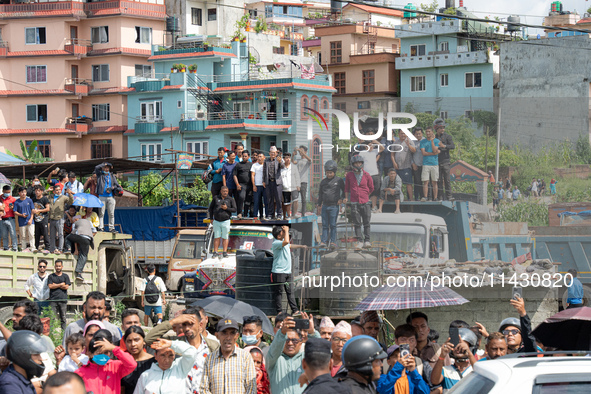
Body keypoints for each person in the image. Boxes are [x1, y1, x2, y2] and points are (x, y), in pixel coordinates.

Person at [144, 308, 220, 393]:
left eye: (191, 324)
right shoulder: (174, 343)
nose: (187, 328)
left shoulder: (212, 346)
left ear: (200, 325)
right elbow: (148, 339)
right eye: (184, 324)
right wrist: (173, 322)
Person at [200, 319, 257, 394]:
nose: (228, 337)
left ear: (236, 336)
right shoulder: (210, 359)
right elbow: (203, 388)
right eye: (224, 333)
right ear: (217, 336)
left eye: (232, 333)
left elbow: (251, 387)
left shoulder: (245, 357)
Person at [266, 314, 319, 394]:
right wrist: (282, 333)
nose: (290, 343)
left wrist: (312, 332)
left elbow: (321, 353)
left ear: (301, 342)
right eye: (286, 340)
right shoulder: (274, 360)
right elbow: (275, 349)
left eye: (294, 340)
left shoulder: (306, 359)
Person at [76, 329, 136, 394]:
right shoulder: (80, 373)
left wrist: (114, 348)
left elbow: (132, 364)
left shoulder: (115, 367)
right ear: (90, 354)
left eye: (106, 352)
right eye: (100, 353)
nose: (103, 356)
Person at [376, 324, 432, 394]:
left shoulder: (413, 377)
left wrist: (413, 371)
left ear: (415, 342)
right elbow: (382, 390)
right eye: (397, 356)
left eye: (411, 340)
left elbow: (425, 392)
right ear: (388, 361)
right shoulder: (383, 376)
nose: (407, 343)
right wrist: (398, 367)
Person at [134, 336, 198, 394]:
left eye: (171, 355)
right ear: (155, 356)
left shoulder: (180, 369)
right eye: (163, 355)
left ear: (174, 356)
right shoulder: (146, 376)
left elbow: (192, 353)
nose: (167, 360)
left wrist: (172, 344)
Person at [344, 155, 374, 249]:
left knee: (366, 223)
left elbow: (371, 187)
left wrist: (365, 195)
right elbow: (346, 188)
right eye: (356, 163)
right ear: (353, 164)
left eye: (359, 163)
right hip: (354, 202)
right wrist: (346, 198)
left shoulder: (367, 175)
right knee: (357, 223)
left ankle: (367, 241)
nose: (358, 165)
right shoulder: (349, 175)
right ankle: (359, 241)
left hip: (365, 202)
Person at [316, 160, 344, 248]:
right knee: (325, 225)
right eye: (327, 173)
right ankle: (324, 242)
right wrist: (319, 204)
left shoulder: (339, 180)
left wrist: (341, 199)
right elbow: (320, 194)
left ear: (334, 172)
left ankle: (333, 242)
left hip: (334, 206)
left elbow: (344, 191)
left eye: (330, 173)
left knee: (333, 225)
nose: (329, 174)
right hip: (325, 206)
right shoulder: (323, 182)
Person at [271, 225, 298, 315]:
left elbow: (289, 245)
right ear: (279, 236)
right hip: (279, 272)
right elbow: (287, 241)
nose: (285, 233)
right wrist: (286, 230)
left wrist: (302, 246)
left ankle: (295, 310)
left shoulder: (283, 242)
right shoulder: (276, 243)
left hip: (287, 272)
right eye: (282, 232)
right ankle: (279, 311)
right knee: (279, 293)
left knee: (290, 291)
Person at [121, 326, 156, 393]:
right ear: (125, 343)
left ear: (143, 341)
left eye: (136, 340)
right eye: (129, 341)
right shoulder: (123, 364)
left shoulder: (154, 362)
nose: (133, 344)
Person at [357, 133, 383, 212]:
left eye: (372, 145)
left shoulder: (374, 151)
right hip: (366, 174)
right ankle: (365, 205)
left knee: (375, 191)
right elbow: (359, 163)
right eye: (369, 145)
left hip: (375, 174)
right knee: (366, 191)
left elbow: (382, 148)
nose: (371, 147)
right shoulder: (362, 153)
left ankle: (374, 206)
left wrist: (376, 142)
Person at [208, 186, 236, 258]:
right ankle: (215, 252)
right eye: (224, 191)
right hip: (216, 221)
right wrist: (211, 218)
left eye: (226, 191)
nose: (225, 193)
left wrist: (227, 208)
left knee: (225, 237)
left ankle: (224, 252)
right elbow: (210, 208)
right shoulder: (216, 198)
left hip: (226, 221)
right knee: (216, 237)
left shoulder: (230, 199)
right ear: (221, 191)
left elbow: (234, 209)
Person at [67, 215, 97, 281]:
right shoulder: (89, 222)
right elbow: (95, 231)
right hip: (87, 239)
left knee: (68, 238)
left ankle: (68, 249)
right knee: (83, 255)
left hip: (79, 236)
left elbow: (73, 234)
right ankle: (79, 273)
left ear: (76, 219)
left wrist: (76, 249)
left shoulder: (75, 223)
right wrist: (89, 235)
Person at [94, 162, 120, 233]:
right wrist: (104, 164)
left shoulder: (112, 176)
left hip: (110, 196)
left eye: (107, 168)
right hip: (102, 196)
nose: (106, 169)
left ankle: (111, 228)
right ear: (103, 168)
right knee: (101, 213)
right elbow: (96, 167)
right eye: (105, 167)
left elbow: (117, 185)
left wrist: (112, 188)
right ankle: (101, 227)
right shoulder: (100, 175)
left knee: (111, 213)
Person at [48, 185, 74, 254]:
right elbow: (43, 197)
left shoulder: (63, 197)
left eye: (59, 190)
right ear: (54, 191)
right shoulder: (50, 196)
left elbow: (71, 202)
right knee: (52, 235)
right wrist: (47, 191)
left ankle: (60, 249)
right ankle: (52, 249)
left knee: (60, 234)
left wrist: (70, 194)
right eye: (57, 190)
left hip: (60, 218)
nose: (58, 191)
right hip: (52, 218)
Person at [393, 129, 417, 202]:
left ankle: (411, 199)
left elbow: (414, 150)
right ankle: (400, 199)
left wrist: (408, 145)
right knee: (398, 184)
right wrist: (394, 163)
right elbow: (392, 154)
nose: (403, 135)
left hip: (406, 167)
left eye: (404, 133)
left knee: (408, 183)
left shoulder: (409, 141)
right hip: (397, 167)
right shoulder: (395, 142)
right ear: (398, 134)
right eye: (401, 133)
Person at [434, 119, 455, 201]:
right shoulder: (434, 137)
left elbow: (452, 146)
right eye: (440, 128)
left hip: (446, 161)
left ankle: (449, 196)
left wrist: (444, 146)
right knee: (438, 180)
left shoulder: (448, 136)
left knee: (447, 180)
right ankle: (440, 197)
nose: (442, 129)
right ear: (436, 129)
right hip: (436, 161)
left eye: (443, 127)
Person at [48, 260, 70, 330]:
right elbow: (50, 286)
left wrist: (55, 285)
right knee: (52, 317)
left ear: (62, 266)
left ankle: (63, 333)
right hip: (53, 300)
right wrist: (61, 284)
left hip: (63, 300)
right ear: (54, 266)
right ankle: (51, 332)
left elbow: (66, 287)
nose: (58, 267)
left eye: (59, 266)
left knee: (63, 317)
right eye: (57, 266)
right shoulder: (51, 276)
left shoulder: (65, 276)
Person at [263, 146, 284, 220]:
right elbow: (264, 171)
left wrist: (280, 161)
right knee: (270, 199)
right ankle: (270, 214)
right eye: (271, 153)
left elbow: (282, 167)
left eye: (274, 153)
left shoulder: (278, 160)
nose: (272, 154)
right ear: (269, 153)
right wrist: (264, 181)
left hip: (277, 182)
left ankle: (279, 214)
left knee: (278, 199)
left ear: (276, 153)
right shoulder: (266, 161)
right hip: (269, 182)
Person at [420, 128, 440, 202]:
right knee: (425, 181)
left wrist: (432, 141)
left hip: (434, 164)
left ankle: (435, 197)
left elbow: (435, 150)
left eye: (429, 131)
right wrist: (434, 153)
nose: (427, 133)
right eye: (426, 131)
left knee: (434, 181)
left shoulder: (437, 141)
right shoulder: (422, 142)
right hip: (426, 164)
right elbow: (424, 153)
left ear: (432, 132)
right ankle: (425, 197)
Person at [14, 186, 36, 252]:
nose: (24, 193)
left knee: (31, 234)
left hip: (30, 221)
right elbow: (15, 211)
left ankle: (33, 248)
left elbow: (33, 210)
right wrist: (21, 215)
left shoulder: (29, 200)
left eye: (25, 192)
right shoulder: (17, 202)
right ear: (19, 193)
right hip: (21, 221)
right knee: (23, 236)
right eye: (22, 192)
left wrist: (31, 219)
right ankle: (23, 248)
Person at [279, 152, 300, 219]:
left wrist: (298, 185)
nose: (288, 159)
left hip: (294, 187)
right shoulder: (281, 168)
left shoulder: (294, 167)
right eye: (286, 158)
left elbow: (297, 176)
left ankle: (295, 214)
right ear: (284, 159)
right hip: (285, 188)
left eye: (289, 158)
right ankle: (288, 215)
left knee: (295, 200)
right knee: (287, 203)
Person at [234, 150, 253, 219]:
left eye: (245, 156)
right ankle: (239, 213)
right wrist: (237, 184)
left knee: (248, 200)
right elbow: (235, 175)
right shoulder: (238, 164)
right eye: (243, 156)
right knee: (241, 197)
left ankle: (245, 214)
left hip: (250, 185)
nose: (244, 157)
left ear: (248, 157)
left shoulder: (251, 165)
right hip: (242, 185)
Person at [292, 146, 311, 217]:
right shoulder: (298, 160)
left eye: (302, 151)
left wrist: (302, 152)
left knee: (303, 199)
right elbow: (293, 162)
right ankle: (293, 213)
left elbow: (310, 159)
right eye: (299, 151)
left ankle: (303, 213)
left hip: (303, 182)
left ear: (305, 152)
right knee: (295, 198)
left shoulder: (307, 160)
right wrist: (293, 155)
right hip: (296, 182)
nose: (300, 152)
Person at [31, 185, 50, 254]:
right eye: (36, 191)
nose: (37, 192)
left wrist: (39, 211)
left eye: (38, 191)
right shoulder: (33, 199)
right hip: (35, 219)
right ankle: (35, 247)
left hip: (43, 219)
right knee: (36, 234)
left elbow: (48, 209)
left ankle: (48, 248)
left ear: (42, 191)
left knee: (45, 234)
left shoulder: (45, 199)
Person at [0, 184, 18, 251]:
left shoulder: (13, 199)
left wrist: (13, 208)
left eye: (8, 192)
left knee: (13, 234)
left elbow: (16, 209)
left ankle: (15, 247)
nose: (7, 193)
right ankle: (5, 247)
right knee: (4, 235)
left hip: (11, 219)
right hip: (2, 219)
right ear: (3, 191)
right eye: (6, 192)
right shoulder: (0, 198)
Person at [251, 151, 267, 220]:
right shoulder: (254, 165)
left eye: (261, 156)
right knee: (257, 201)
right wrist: (254, 185)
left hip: (265, 186)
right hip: (257, 185)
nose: (259, 158)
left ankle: (267, 215)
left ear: (264, 157)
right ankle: (255, 215)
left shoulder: (266, 165)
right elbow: (252, 175)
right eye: (258, 156)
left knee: (266, 201)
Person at [411, 128, 424, 200]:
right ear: (414, 135)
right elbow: (409, 155)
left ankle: (424, 197)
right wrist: (412, 163)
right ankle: (416, 197)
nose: (418, 135)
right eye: (417, 134)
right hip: (416, 165)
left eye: (420, 133)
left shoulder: (425, 141)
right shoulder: (412, 142)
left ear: (422, 134)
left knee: (425, 182)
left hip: (425, 165)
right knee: (417, 182)